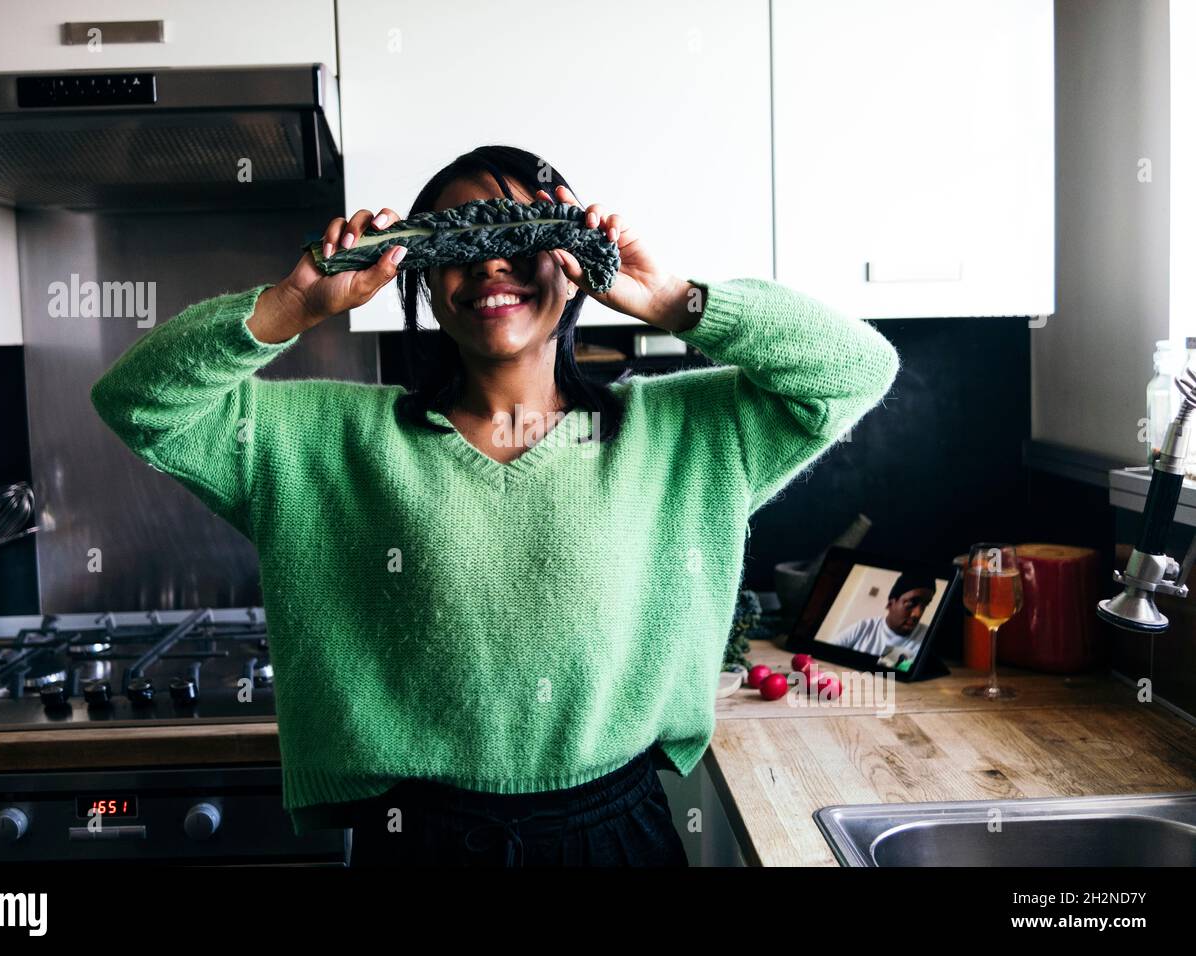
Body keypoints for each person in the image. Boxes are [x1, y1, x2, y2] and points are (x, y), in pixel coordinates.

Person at [90, 144, 900, 866]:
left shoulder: (683, 434)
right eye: (458, 245)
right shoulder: (319, 442)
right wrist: (292, 305)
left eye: (522, 237)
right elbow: (140, 402)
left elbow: (856, 370)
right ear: (419, 275)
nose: (489, 265)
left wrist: (680, 300)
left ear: (579, 260)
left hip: (617, 836)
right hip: (414, 841)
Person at [828, 570, 937, 664]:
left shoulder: (926, 637)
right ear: (890, 604)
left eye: (925, 605)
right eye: (911, 603)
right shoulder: (864, 627)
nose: (918, 614)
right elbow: (827, 654)